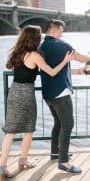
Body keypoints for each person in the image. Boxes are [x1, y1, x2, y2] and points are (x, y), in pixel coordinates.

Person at [0, 25, 75, 180]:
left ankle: (2, 166)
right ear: (34, 38)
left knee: (10, 131)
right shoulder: (34, 55)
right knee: (29, 128)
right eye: (39, 36)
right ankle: (23, 160)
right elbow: (52, 72)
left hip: (14, 90)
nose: (41, 38)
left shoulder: (17, 52)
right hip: (26, 93)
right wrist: (65, 60)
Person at [39, 19, 90, 173]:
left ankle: (55, 153)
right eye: (61, 32)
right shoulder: (61, 45)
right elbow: (82, 58)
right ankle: (64, 162)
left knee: (58, 123)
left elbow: (57, 68)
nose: (62, 35)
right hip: (61, 94)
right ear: (54, 31)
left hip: (49, 94)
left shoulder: (43, 46)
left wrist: (77, 72)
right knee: (68, 125)